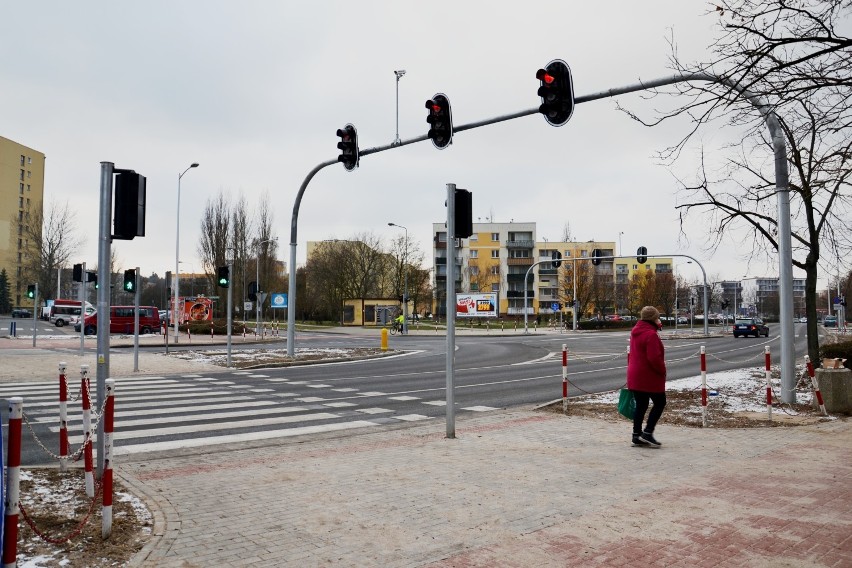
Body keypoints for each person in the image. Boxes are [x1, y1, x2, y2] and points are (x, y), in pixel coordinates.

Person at [627, 305, 667, 448]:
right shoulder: (650, 334)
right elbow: (654, 358)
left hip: (635, 374)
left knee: (641, 405)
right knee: (660, 402)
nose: (659, 320)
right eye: (657, 317)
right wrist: (663, 371)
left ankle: (636, 435)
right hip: (648, 375)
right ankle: (648, 433)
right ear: (653, 318)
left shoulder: (636, 331)